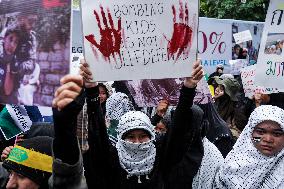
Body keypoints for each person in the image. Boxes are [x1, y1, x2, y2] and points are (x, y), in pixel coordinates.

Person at [50, 59, 205, 189]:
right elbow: (98, 135)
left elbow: (178, 131)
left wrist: (188, 88)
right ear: (120, 137)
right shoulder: (111, 159)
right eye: (130, 136)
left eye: (143, 136)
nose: (137, 142)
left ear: (152, 135)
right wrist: (91, 90)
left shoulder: (162, 156)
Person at [214, 105, 284, 188]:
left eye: (276, 134)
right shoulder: (233, 162)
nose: (268, 139)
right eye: (261, 132)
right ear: (249, 133)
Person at [0, 27, 21, 103]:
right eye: (10, 39)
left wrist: (9, 66)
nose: (12, 45)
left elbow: (8, 90)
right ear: (4, 39)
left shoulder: (14, 62)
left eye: (15, 42)